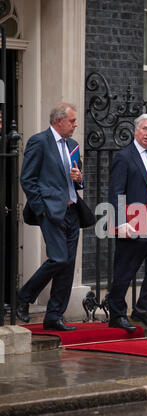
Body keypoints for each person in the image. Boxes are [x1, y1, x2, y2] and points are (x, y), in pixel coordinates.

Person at [17, 103, 83, 331]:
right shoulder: (39, 141)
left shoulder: (73, 145)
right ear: (59, 121)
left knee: (67, 265)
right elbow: (27, 178)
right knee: (58, 258)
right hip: (50, 212)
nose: (75, 125)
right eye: (72, 121)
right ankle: (24, 296)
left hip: (72, 211)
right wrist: (41, 209)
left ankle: (54, 315)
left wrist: (79, 178)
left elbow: (78, 179)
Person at [108, 113, 147, 332]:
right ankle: (116, 314)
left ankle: (143, 310)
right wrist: (120, 221)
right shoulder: (124, 157)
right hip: (132, 221)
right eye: (144, 129)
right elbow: (116, 192)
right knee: (125, 271)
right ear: (136, 130)